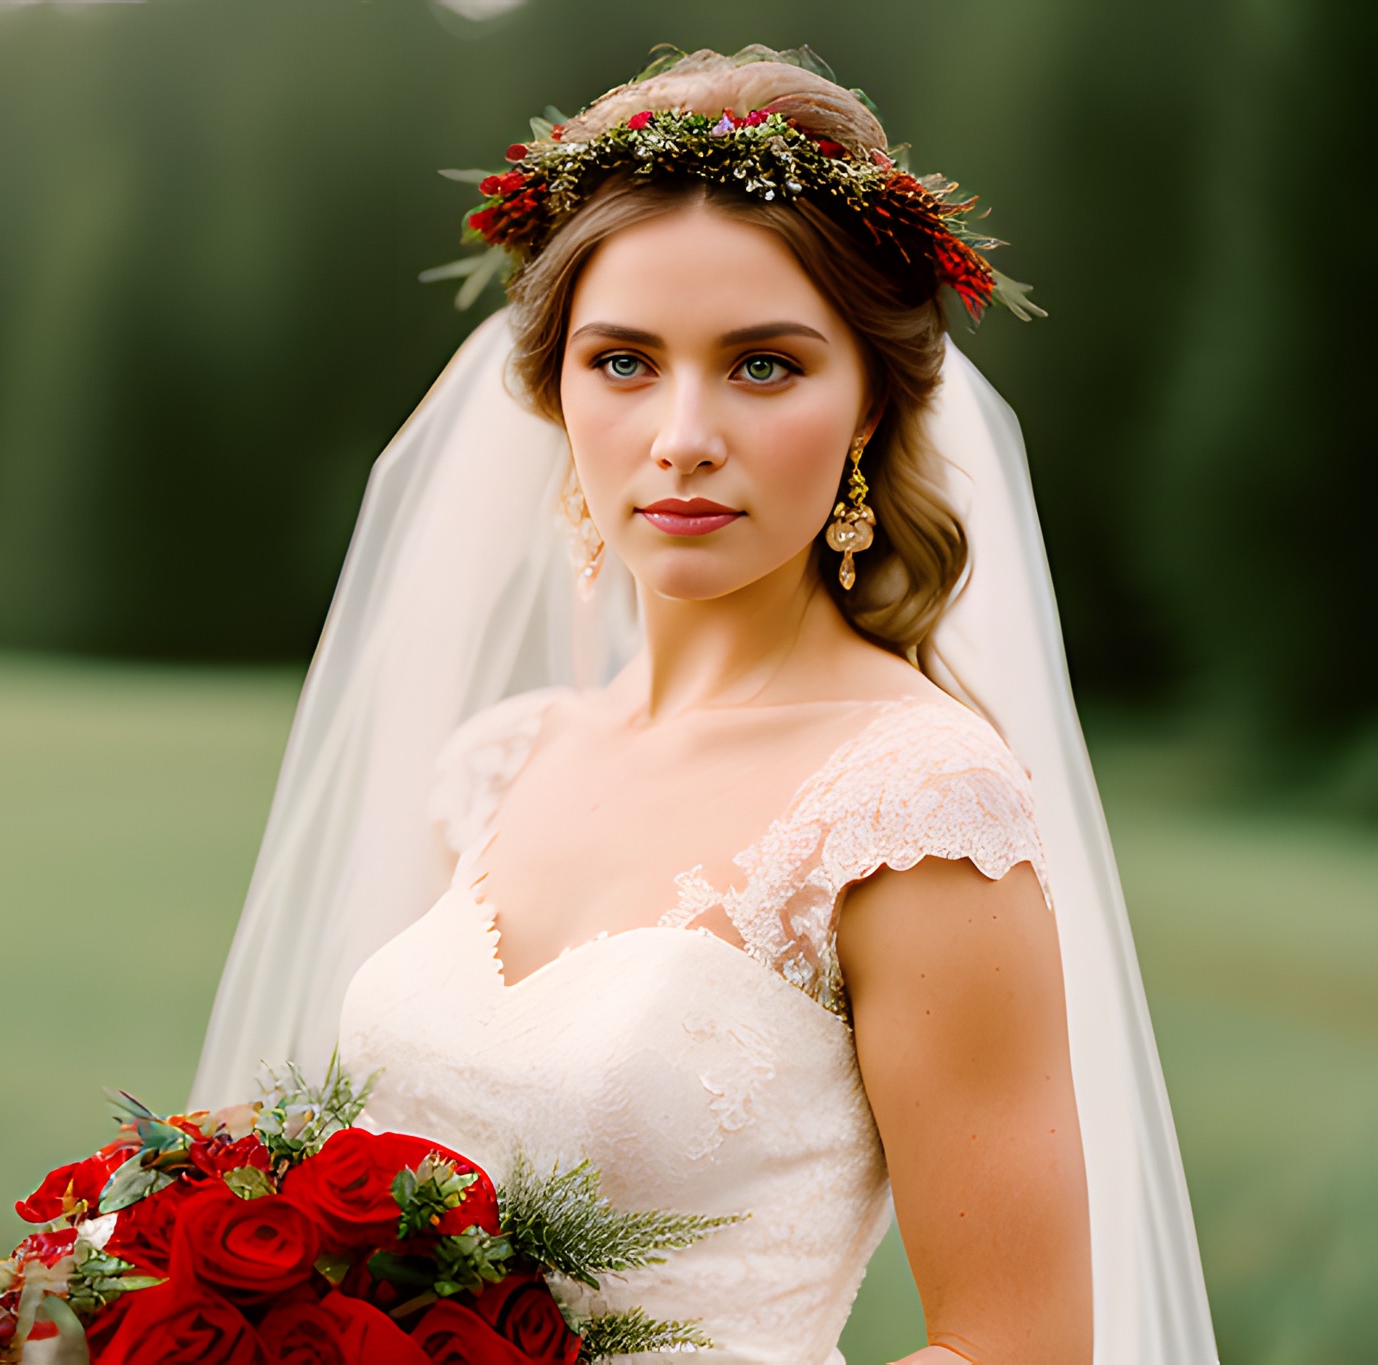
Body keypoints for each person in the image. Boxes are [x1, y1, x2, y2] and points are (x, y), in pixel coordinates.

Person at [193, 46, 1215, 1364]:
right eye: (622, 362)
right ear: (557, 391)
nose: (681, 432)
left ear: (867, 406)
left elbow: (1021, 1342)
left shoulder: (916, 806)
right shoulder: (502, 763)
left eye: (765, 365)